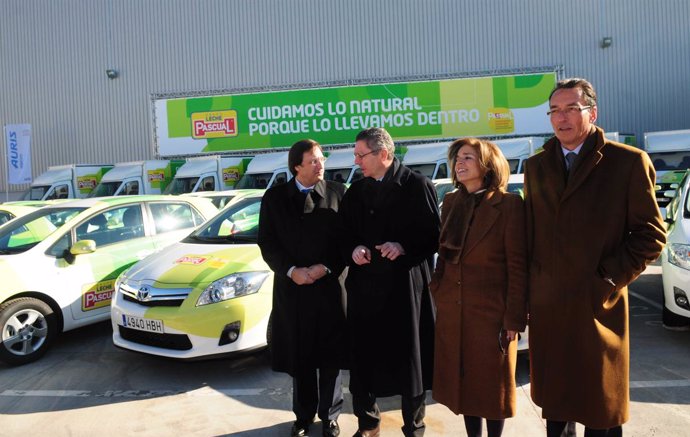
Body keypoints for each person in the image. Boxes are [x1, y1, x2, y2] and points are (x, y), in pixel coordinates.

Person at [524, 78, 666, 437]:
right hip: (551, 309)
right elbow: (530, 235)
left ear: (592, 112)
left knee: (600, 408)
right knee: (557, 410)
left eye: (572, 108)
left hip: (597, 306)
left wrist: (604, 279)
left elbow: (651, 236)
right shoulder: (537, 167)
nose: (562, 118)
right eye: (555, 110)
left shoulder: (627, 163)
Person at [339, 127, 440, 437]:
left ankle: (414, 426)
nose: (356, 161)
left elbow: (434, 236)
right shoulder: (355, 191)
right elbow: (342, 234)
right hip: (365, 290)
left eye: (361, 155)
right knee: (363, 359)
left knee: (410, 359)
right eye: (355, 155)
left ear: (383, 153)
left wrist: (403, 246)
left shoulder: (416, 185)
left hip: (405, 289)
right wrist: (352, 248)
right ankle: (368, 423)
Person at [430, 138, 527, 437]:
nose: (459, 163)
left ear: (488, 165)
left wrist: (513, 318)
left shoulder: (509, 205)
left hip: (491, 314)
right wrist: (439, 289)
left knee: (492, 388)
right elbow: (444, 254)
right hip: (454, 312)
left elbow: (518, 266)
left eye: (468, 158)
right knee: (463, 386)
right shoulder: (454, 202)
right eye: (457, 158)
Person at [257, 139, 347, 437]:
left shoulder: (337, 192)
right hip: (293, 291)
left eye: (321, 159)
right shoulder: (275, 198)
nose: (320, 165)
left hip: (329, 289)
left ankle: (331, 415)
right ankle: (303, 416)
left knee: (331, 356)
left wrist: (325, 267)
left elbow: (345, 241)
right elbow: (267, 243)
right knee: (301, 356)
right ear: (297, 166)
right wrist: (292, 271)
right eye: (313, 161)